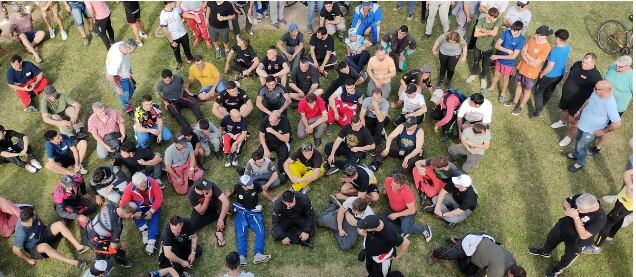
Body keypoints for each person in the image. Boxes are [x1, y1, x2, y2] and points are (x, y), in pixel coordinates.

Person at [528, 193, 606, 277]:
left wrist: (576, 218)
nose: (576, 209)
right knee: (551, 238)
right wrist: (568, 209)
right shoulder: (583, 198)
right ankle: (545, 252)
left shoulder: (600, 218)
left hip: (577, 241)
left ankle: (557, 269)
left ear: (591, 208)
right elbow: (566, 201)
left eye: (580, 209)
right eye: (576, 206)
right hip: (563, 226)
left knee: (568, 256)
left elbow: (583, 235)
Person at [566, 81, 621, 172]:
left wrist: (603, 131)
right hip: (583, 123)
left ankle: (580, 163)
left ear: (606, 91)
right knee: (578, 139)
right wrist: (579, 111)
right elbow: (588, 101)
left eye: (596, 88)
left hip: (592, 130)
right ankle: (575, 154)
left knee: (582, 145)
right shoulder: (597, 93)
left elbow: (617, 123)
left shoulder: (610, 103)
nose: (594, 89)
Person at [551, 53, 603, 147]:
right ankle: (562, 122)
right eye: (583, 61)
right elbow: (569, 73)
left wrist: (584, 107)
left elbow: (595, 94)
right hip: (566, 96)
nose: (582, 64)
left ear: (593, 63)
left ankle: (569, 137)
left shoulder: (596, 77)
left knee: (573, 121)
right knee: (564, 110)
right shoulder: (577, 64)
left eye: (586, 63)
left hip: (579, 103)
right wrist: (564, 83)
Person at [13, 206, 89, 269]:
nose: (36, 214)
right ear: (30, 220)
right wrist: (28, 260)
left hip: (43, 234)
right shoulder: (21, 233)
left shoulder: (31, 217)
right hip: (35, 247)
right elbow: (16, 250)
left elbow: (40, 224)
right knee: (44, 246)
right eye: (34, 214)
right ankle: (74, 262)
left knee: (59, 224)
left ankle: (79, 247)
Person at [584, 164, 632, 254]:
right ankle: (610, 237)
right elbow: (628, 173)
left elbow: (630, 193)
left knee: (608, 222)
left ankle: (595, 248)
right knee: (620, 218)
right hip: (627, 203)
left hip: (626, 202)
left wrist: (630, 184)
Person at [428, 232, 527, 277]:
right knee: (448, 254)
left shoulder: (512, 260)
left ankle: (456, 243)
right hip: (473, 242)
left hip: (483, 245)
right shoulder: (498, 273)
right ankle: (435, 253)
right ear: (511, 275)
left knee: (469, 272)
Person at [509, 25, 553, 116]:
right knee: (518, 84)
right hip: (522, 66)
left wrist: (527, 55)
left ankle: (520, 106)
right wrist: (529, 60)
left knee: (527, 89)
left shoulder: (546, 47)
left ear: (544, 36)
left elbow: (536, 62)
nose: (536, 36)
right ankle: (514, 101)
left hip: (531, 73)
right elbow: (522, 51)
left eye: (538, 35)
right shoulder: (532, 39)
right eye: (536, 34)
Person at [594, 55, 633, 153]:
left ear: (628, 66)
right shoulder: (613, 66)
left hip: (616, 108)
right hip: (602, 101)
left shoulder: (632, 77)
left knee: (605, 128)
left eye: (620, 66)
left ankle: (598, 147)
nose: (617, 67)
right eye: (617, 64)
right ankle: (593, 133)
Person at [230, 175, 273, 265]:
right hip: (241, 211)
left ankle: (258, 254)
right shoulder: (237, 186)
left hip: (253, 211)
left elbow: (263, 193)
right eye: (249, 184)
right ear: (243, 186)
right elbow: (232, 194)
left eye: (251, 182)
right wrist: (227, 198)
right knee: (241, 232)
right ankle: (241, 257)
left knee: (260, 230)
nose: (251, 184)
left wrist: (272, 199)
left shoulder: (255, 185)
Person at [119, 172, 163, 255]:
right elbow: (123, 205)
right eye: (142, 185)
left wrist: (151, 210)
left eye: (145, 183)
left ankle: (151, 243)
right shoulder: (129, 188)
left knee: (154, 220)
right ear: (135, 185)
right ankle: (144, 229)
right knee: (134, 210)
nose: (145, 186)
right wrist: (132, 214)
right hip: (138, 206)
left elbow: (159, 198)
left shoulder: (152, 182)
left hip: (152, 205)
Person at [83, 202, 135, 268]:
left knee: (112, 241)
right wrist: (121, 245)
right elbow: (113, 246)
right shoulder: (117, 226)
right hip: (95, 241)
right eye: (131, 215)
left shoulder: (111, 205)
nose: (130, 217)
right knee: (117, 249)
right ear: (129, 214)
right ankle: (105, 265)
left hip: (88, 229)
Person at [533, 29, 571, 117]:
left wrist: (542, 73)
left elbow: (549, 67)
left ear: (557, 38)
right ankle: (541, 107)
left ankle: (538, 111)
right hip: (559, 75)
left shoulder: (555, 51)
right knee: (548, 92)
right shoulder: (567, 47)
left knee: (538, 91)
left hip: (549, 76)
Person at [384, 173, 433, 240]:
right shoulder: (388, 181)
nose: (391, 186)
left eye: (395, 186)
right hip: (394, 209)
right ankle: (402, 226)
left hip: (406, 211)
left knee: (406, 229)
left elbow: (412, 210)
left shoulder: (406, 192)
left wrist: (397, 214)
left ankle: (424, 229)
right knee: (384, 219)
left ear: (402, 186)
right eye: (392, 183)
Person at [487, 21, 525, 104]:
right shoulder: (506, 33)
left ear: (520, 30)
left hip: (509, 63)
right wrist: (507, 50)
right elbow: (497, 45)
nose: (512, 32)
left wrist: (497, 56)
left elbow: (513, 56)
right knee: (496, 74)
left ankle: (503, 94)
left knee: (505, 78)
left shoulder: (521, 40)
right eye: (511, 29)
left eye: (514, 31)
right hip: (500, 60)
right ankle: (492, 87)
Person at [465, 7, 501, 92]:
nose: (495, 19)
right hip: (478, 46)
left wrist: (482, 30)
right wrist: (489, 32)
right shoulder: (481, 20)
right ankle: (473, 74)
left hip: (488, 48)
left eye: (496, 17)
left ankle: (483, 78)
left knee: (486, 65)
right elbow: (476, 34)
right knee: (476, 61)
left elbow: (494, 33)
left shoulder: (497, 21)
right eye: (493, 17)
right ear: (488, 15)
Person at [187, 178, 229, 243]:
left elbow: (226, 202)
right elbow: (201, 212)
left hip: (216, 203)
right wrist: (207, 198)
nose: (210, 188)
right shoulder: (191, 194)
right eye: (207, 188)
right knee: (193, 224)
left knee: (224, 206)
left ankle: (219, 232)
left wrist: (221, 219)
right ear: (201, 190)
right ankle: (216, 214)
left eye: (208, 186)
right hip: (203, 208)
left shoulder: (211, 185)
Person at [105, 39, 138, 114]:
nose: (133, 52)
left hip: (124, 73)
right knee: (125, 94)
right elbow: (109, 76)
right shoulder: (117, 59)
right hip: (119, 78)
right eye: (133, 50)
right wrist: (118, 87)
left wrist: (129, 71)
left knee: (132, 87)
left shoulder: (121, 44)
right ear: (129, 48)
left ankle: (128, 100)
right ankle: (127, 108)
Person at [160, 1, 194, 69]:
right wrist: (171, 41)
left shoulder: (176, 8)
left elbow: (183, 14)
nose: (175, 3)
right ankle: (179, 62)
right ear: (168, 4)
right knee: (176, 51)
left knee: (187, 48)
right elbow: (165, 30)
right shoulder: (163, 15)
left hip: (183, 33)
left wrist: (194, 16)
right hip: (174, 38)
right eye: (173, 2)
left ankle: (190, 58)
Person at [259, 111, 291, 176]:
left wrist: (274, 132)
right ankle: (250, 168)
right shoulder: (265, 120)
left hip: (282, 143)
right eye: (269, 121)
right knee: (258, 154)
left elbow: (286, 139)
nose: (270, 123)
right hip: (269, 142)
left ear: (278, 120)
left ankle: (283, 174)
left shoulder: (285, 121)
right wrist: (265, 148)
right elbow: (261, 135)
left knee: (283, 159)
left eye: (272, 122)